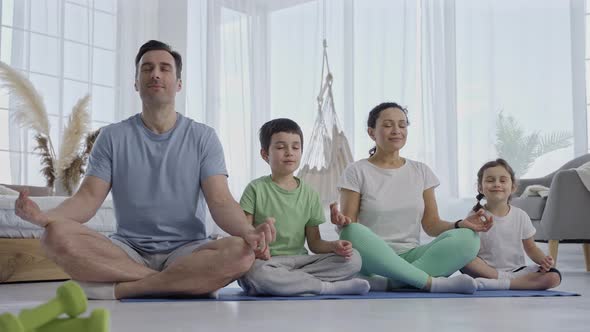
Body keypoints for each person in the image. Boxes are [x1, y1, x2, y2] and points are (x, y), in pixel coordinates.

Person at [14, 40, 274, 299]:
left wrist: (249, 232)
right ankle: (179, 283)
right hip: (127, 251)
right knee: (54, 236)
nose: (156, 74)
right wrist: (46, 217)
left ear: (179, 84)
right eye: (147, 68)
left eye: (164, 68)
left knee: (241, 252)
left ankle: (127, 288)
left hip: (188, 252)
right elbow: (88, 198)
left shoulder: (203, 137)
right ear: (136, 82)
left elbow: (221, 201)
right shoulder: (112, 137)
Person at [330, 102, 493, 294]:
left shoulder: (421, 171)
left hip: (412, 255)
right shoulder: (356, 171)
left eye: (402, 125)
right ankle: (430, 283)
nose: (397, 130)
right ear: (371, 132)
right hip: (373, 259)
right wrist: (341, 222)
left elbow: (431, 225)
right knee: (352, 232)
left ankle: (390, 282)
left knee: (469, 238)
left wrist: (460, 224)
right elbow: (349, 225)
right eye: (388, 125)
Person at [237, 118, 369, 296]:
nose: (289, 153)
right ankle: (326, 287)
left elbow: (315, 244)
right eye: (280, 147)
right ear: (265, 154)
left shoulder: (310, 193)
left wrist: (334, 246)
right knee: (255, 273)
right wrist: (258, 247)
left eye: (295, 147)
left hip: (301, 261)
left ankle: (290, 282)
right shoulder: (255, 189)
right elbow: (242, 233)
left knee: (354, 259)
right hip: (266, 261)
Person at [459, 159, 561, 290]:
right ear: (480, 188)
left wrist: (544, 261)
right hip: (485, 270)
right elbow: (469, 250)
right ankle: (505, 282)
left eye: (502, 180)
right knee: (464, 259)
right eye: (490, 180)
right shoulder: (475, 215)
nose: (497, 184)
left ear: (513, 187)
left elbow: (531, 248)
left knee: (554, 277)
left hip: (516, 272)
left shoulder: (521, 216)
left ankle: (498, 283)